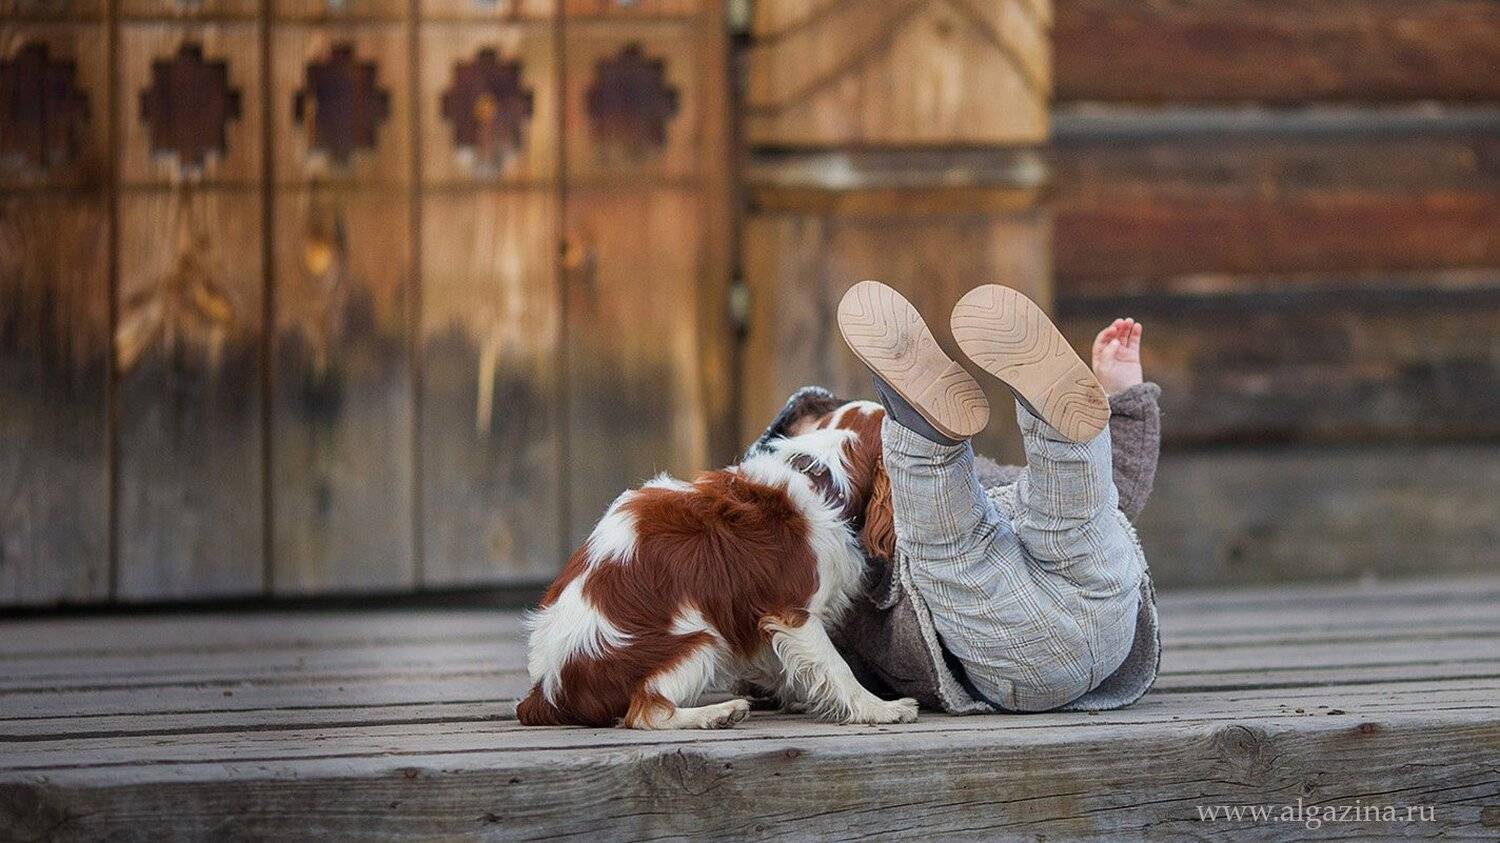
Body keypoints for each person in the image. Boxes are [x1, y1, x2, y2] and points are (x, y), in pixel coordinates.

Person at [749, 280, 1162, 713]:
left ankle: (935, 435)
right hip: (1083, 626)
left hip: (1029, 644)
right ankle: (1046, 433)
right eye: (813, 462)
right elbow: (780, 644)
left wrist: (1118, 398)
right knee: (1070, 518)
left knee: (1004, 529)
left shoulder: (981, 484)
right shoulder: (825, 577)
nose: (829, 464)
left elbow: (1113, 493)